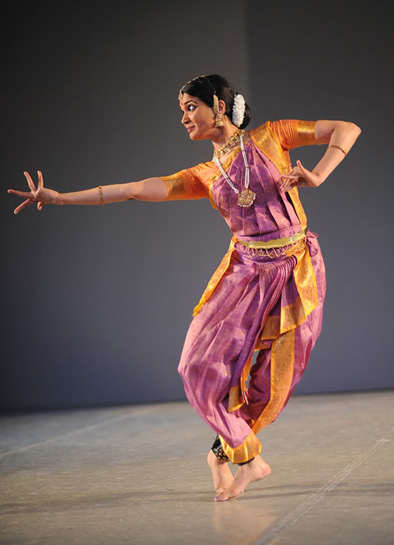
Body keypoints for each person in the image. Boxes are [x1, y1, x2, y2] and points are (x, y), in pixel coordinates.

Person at [8, 74, 361, 502]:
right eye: (182, 111)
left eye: (190, 107)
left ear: (217, 105)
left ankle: (222, 452)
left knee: (274, 381)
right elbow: (134, 190)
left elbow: (347, 128)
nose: (184, 118)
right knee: (196, 367)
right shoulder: (203, 175)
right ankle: (249, 458)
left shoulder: (273, 136)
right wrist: (61, 197)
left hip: (297, 271)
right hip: (245, 276)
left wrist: (319, 174)